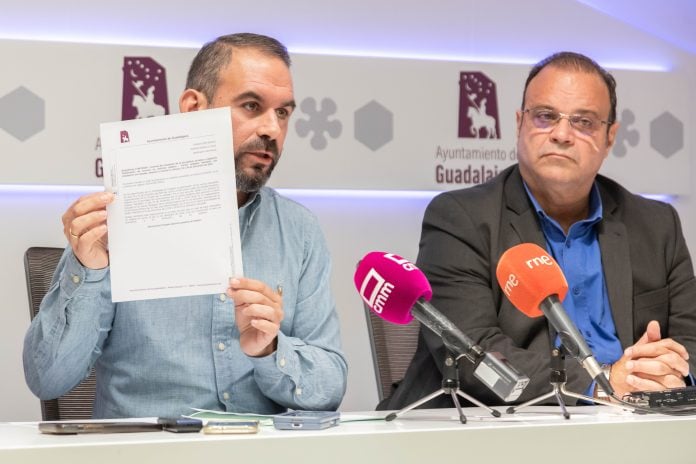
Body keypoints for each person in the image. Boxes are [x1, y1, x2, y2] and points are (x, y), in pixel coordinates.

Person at [23, 33, 348, 418]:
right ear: (194, 107)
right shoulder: (116, 221)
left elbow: (331, 387)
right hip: (146, 454)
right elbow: (47, 378)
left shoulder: (299, 230)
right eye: (251, 106)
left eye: (283, 113)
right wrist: (89, 271)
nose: (272, 130)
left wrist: (271, 350)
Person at [380, 51, 696, 410]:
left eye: (584, 122)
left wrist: (671, 375)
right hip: (498, 427)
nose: (562, 134)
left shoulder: (656, 224)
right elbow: (474, 357)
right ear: (519, 123)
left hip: (636, 424)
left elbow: (691, 341)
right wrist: (603, 385)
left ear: (610, 138)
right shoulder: (460, 218)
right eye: (545, 116)